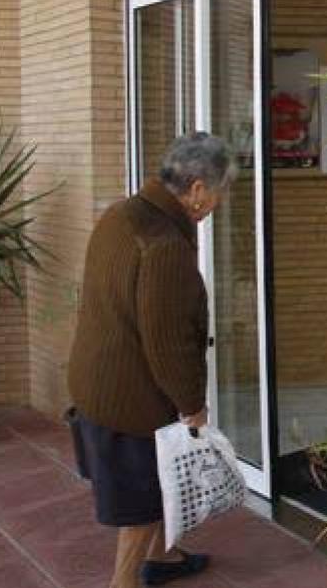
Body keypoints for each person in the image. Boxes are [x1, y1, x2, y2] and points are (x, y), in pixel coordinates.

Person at [68, 133, 235, 588]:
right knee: (141, 504)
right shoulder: (164, 245)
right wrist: (192, 407)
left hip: (94, 380)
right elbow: (169, 343)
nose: (218, 203)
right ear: (198, 188)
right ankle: (123, 582)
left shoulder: (121, 214)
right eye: (220, 191)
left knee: (159, 482)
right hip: (130, 399)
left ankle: (163, 557)